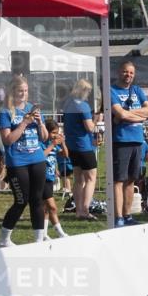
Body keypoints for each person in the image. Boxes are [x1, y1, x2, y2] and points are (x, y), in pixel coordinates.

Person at [0, 75, 48, 245]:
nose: (23, 94)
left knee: (37, 199)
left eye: (25, 91)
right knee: (21, 200)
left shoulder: (32, 108)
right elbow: (7, 140)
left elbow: (44, 138)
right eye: (20, 91)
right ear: (12, 91)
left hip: (37, 159)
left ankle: (39, 239)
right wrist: (24, 123)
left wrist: (40, 123)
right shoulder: (5, 112)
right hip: (18, 162)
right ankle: (4, 238)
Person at [110, 60, 148, 227]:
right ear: (119, 72)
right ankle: (118, 216)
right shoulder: (111, 90)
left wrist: (128, 114)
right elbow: (119, 113)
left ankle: (127, 215)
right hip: (121, 140)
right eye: (126, 72)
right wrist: (134, 115)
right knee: (119, 180)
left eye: (131, 73)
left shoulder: (137, 90)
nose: (128, 75)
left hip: (137, 141)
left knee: (131, 180)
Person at [62, 79, 98, 220]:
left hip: (72, 145)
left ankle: (78, 210)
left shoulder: (68, 104)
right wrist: (96, 120)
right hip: (84, 146)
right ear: (83, 90)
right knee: (91, 178)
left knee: (78, 179)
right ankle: (85, 210)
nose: (88, 94)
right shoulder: (83, 106)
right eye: (88, 91)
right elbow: (89, 127)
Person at [41, 120, 69, 239]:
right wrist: (52, 144)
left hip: (50, 178)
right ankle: (60, 233)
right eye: (53, 132)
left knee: (46, 208)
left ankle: (43, 234)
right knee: (52, 207)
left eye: (57, 132)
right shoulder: (43, 143)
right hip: (42, 178)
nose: (55, 135)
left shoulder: (55, 144)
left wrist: (62, 143)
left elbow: (66, 155)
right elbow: (41, 156)